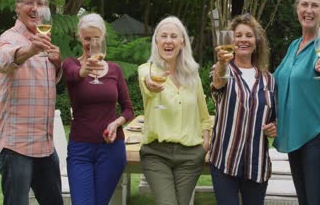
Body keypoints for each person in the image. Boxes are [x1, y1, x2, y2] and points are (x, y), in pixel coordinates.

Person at [0, 0, 63, 205]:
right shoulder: (9, 38)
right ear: (17, 7)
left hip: (44, 145)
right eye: (29, 2)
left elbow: (47, 82)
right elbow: (0, 60)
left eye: (40, 3)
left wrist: (58, 64)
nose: (35, 8)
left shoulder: (46, 41)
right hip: (16, 146)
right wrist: (30, 49)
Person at [273, 0, 320, 205]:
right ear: (297, 9)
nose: (308, 10)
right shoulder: (293, 45)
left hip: (318, 136)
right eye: (304, 4)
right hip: (295, 136)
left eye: (315, 5)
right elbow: (277, 83)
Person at [137, 16, 213, 205]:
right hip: (156, 154)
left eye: (173, 36)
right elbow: (147, 82)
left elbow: (204, 116)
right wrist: (151, 84)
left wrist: (204, 143)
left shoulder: (193, 76)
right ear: (156, 41)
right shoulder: (147, 70)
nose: (168, 40)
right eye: (163, 36)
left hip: (190, 156)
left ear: (182, 42)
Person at [62, 13, 134, 205]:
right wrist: (84, 70)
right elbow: (72, 75)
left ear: (102, 38)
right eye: (87, 38)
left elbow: (128, 109)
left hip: (111, 150)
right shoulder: (71, 64)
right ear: (79, 37)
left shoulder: (114, 70)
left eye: (96, 38)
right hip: (81, 150)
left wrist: (116, 123)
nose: (91, 43)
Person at [209, 14, 277, 205]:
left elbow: (275, 118)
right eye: (238, 35)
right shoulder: (222, 70)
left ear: (257, 41)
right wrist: (222, 63)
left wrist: (274, 126)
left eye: (249, 35)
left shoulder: (269, 79)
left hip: (257, 166)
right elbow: (218, 82)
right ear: (231, 40)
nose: (243, 40)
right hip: (225, 162)